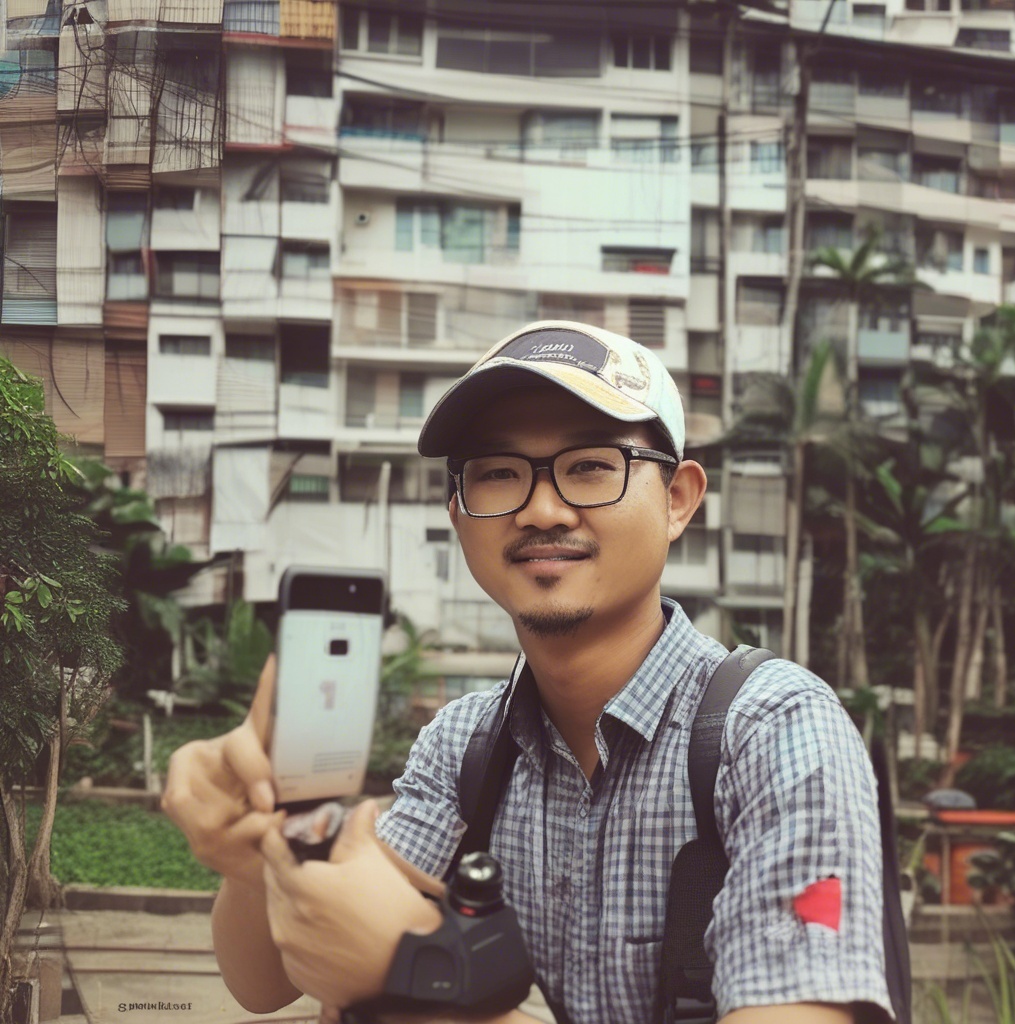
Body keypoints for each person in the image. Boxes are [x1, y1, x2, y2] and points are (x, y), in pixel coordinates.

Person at [164, 321, 894, 1024]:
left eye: (591, 466)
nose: (542, 510)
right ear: (459, 513)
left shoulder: (774, 730)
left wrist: (413, 984)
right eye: (498, 474)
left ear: (678, 499)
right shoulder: (463, 748)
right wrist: (255, 853)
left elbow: (380, 966)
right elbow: (264, 983)